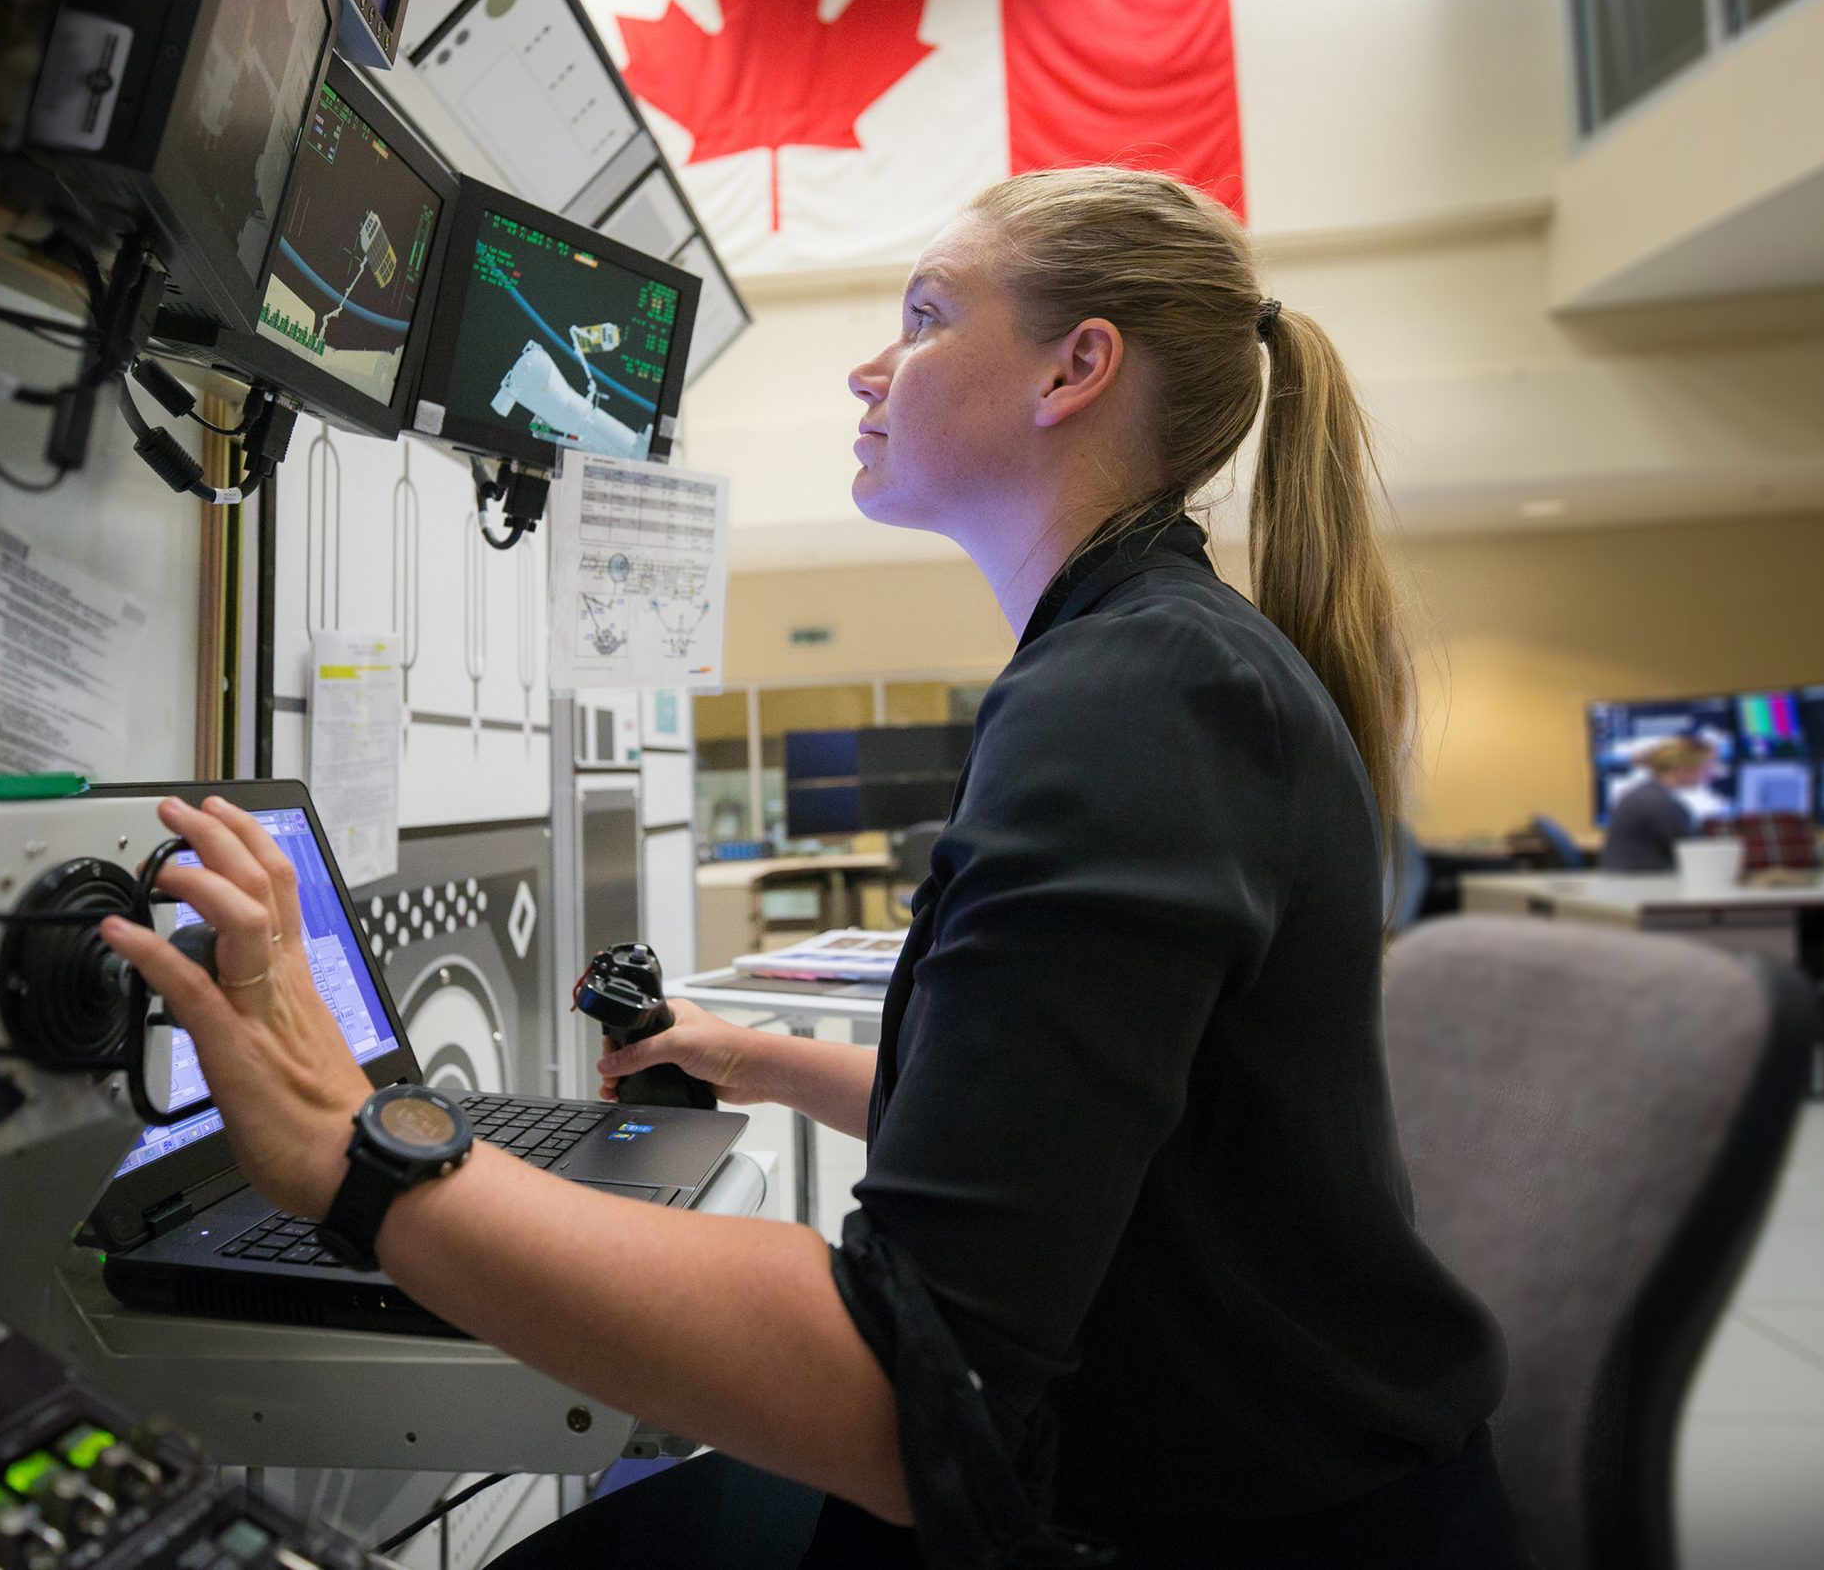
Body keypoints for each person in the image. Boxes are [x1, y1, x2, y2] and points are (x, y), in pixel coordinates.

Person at [101, 166, 1520, 1569]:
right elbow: (1071, 1129)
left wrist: (357, 1151)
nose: (868, 367)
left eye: (922, 314)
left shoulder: (1137, 696)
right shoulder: (1155, 655)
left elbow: (906, 1392)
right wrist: (758, 1056)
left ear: (1074, 369)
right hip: (1210, 1474)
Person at [1601, 736, 1718, 873]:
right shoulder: (1660, 804)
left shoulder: (1644, 794)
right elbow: (1694, 855)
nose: (1713, 774)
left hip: (1629, 882)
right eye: (1708, 767)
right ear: (1683, 768)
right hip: (1645, 886)